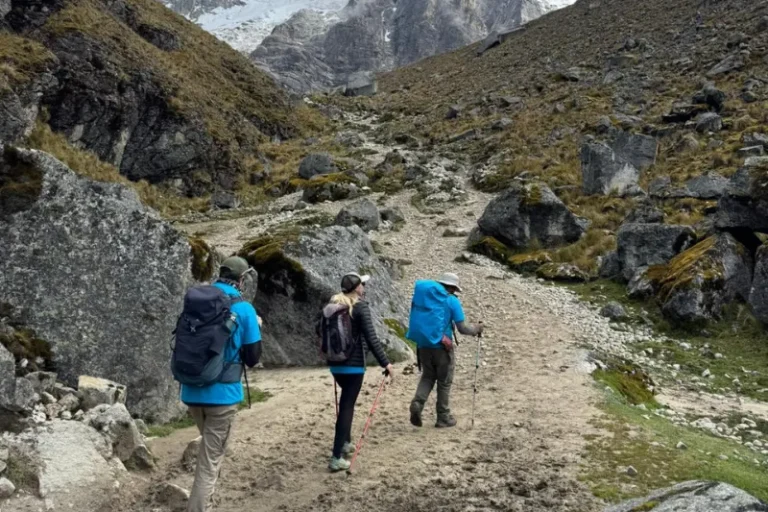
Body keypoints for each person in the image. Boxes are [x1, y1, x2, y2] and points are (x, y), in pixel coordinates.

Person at [181, 256, 262, 512]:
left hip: (191, 390)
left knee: (211, 453)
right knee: (209, 461)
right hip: (223, 397)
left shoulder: (196, 301)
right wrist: (256, 327)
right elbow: (253, 358)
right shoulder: (244, 309)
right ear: (241, 279)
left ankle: (208, 501)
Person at [324, 272, 394, 472]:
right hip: (354, 365)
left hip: (335, 364)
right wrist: (386, 364)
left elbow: (318, 330)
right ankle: (336, 457)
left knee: (346, 403)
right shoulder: (360, 307)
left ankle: (345, 443)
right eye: (362, 284)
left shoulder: (332, 305)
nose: (364, 287)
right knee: (347, 407)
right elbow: (372, 338)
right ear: (357, 288)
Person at [407, 273, 483, 428]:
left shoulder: (424, 297)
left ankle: (418, 403)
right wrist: (477, 328)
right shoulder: (452, 300)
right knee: (444, 382)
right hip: (442, 347)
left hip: (424, 344)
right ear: (453, 287)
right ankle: (443, 417)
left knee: (427, 376)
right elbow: (463, 328)